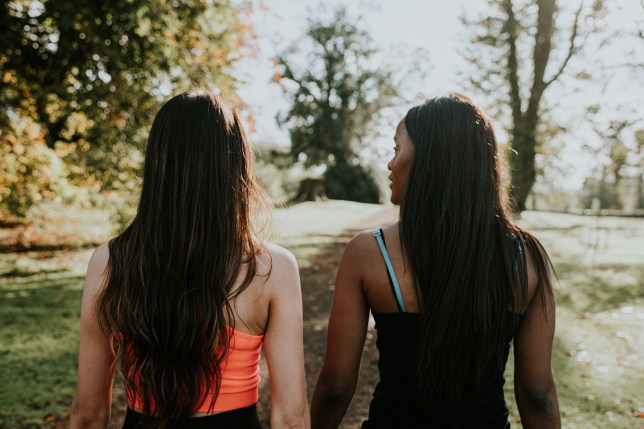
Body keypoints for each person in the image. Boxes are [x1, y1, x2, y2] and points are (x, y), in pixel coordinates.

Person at [311, 94, 560, 428]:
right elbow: (537, 393)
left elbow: (336, 387)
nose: (390, 163)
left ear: (428, 158)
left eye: (397, 148)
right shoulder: (525, 257)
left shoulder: (370, 252)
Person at [70, 89, 309, 429]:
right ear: (236, 165)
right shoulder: (272, 268)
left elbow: (88, 415)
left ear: (157, 164)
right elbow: (291, 417)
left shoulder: (109, 262)